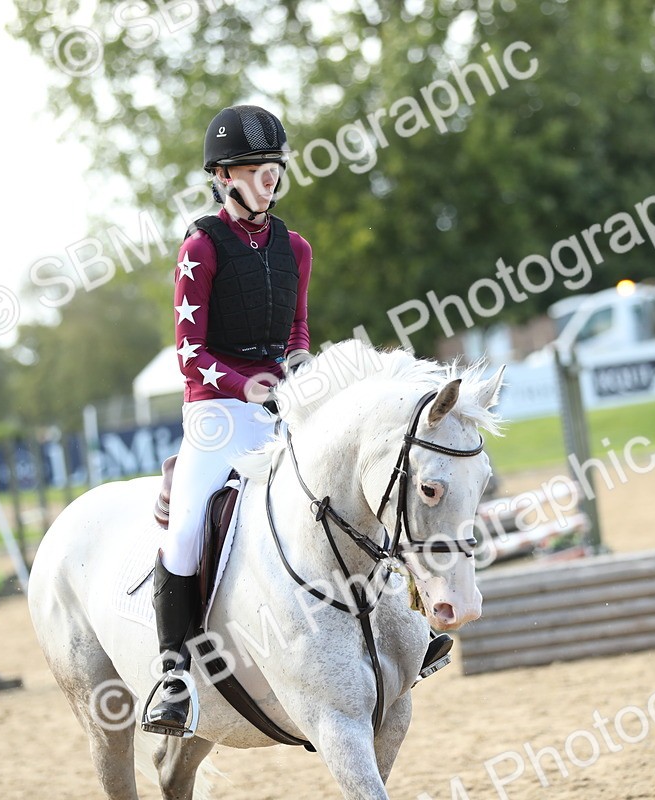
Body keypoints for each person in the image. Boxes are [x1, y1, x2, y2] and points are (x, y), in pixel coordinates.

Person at [142, 105, 452, 738]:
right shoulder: (200, 247)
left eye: (275, 168)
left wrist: (297, 370)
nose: (270, 179)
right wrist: (248, 383)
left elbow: (298, 330)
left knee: (351, 498)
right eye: (257, 170)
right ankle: (175, 675)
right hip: (215, 414)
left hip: (280, 406)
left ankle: (407, 631)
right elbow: (188, 351)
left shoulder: (296, 247)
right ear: (224, 175)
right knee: (188, 527)